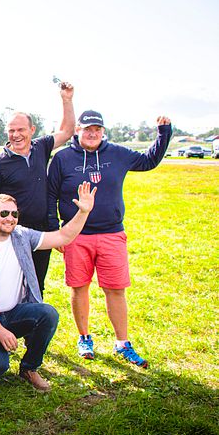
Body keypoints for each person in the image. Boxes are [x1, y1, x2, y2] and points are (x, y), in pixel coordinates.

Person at [47, 111, 172, 368]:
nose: (92, 133)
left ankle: (122, 343)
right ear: (77, 130)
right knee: (79, 286)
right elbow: (50, 196)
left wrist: (163, 133)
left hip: (111, 233)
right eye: (87, 129)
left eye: (97, 129)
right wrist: (55, 231)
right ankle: (84, 338)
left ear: (103, 131)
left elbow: (149, 161)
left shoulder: (117, 153)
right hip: (75, 235)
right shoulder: (62, 159)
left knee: (115, 289)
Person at [0, 183, 96, 391]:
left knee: (48, 314)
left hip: (15, 312)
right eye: (4, 213)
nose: (10, 218)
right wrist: (0, 331)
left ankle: (29, 368)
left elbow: (62, 237)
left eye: (14, 214)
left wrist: (83, 212)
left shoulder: (22, 236)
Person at [0, 82, 75, 295]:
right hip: (13, 232)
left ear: (32, 130)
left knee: (37, 284)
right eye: (11, 131)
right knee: (13, 285)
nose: (16, 135)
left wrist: (66, 99)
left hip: (41, 231)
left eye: (21, 130)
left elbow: (67, 131)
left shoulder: (41, 147)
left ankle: (35, 325)